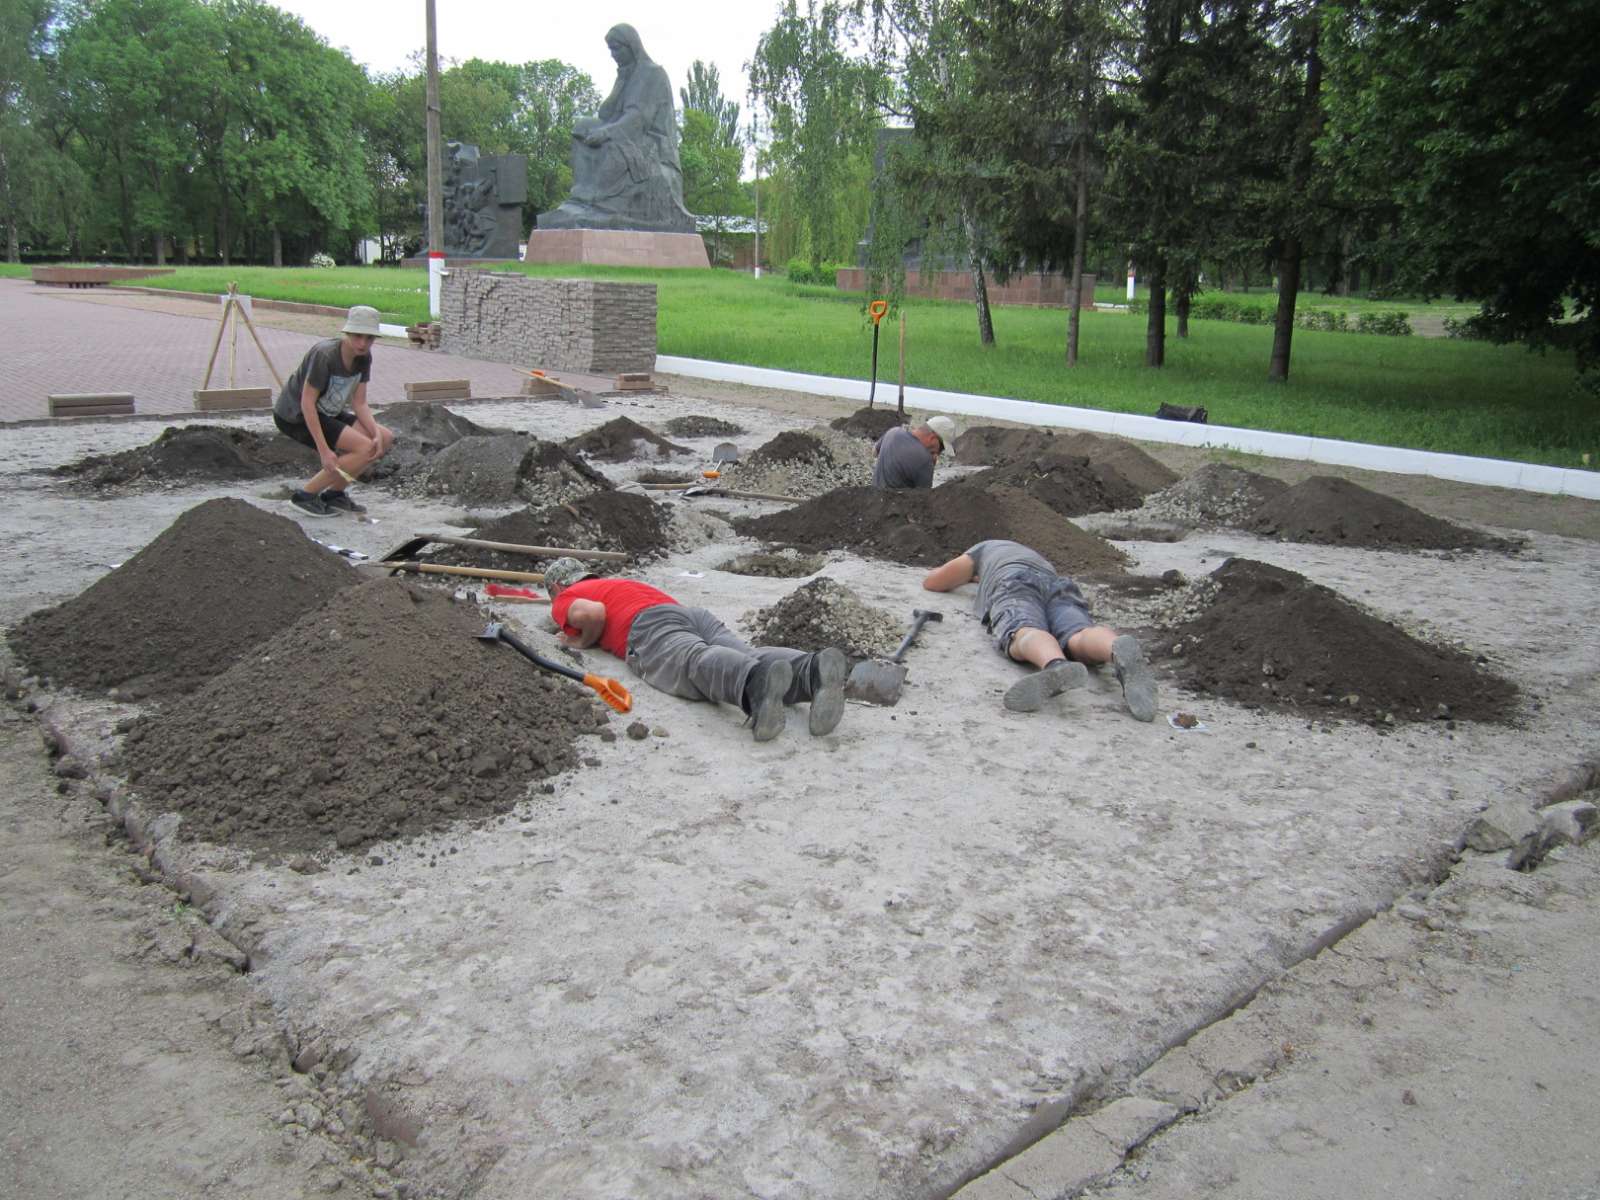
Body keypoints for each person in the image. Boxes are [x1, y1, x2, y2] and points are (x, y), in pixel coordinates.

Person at [543, 558, 848, 743]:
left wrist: (580, 641)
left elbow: (592, 614)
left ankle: (756, 684)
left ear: (557, 585)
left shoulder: (565, 596)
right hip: (689, 614)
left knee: (691, 661)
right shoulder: (614, 583)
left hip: (648, 626)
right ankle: (811, 671)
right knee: (747, 652)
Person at [922, 538, 1158, 720]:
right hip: (1057, 583)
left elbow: (935, 582)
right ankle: (1114, 648)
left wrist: (973, 574)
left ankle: (1056, 665)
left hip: (1015, 582)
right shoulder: (1032, 555)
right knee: (1078, 633)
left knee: (1022, 628)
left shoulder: (982, 549)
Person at [536, 24, 695, 233]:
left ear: (632, 46)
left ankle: (599, 201)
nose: (613, 55)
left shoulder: (653, 74)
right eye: (611, 49)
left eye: (617, 48)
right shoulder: (627, 74)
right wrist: (621, 80)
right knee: (582, 127)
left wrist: (606, 132)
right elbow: (605, 113)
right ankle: (581, 194)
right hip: (625, 130)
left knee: (613, 144)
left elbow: (638, 118)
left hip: (651, 142)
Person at [273, 305, 396, 518]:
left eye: (369, 338)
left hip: (327, 411)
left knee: (383, 438)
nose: (363, 343)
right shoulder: (325, 355)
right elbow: (307, 403)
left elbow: (360, 403)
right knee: (364, 448)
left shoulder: (364, 357)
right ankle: (305, 496)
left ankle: (334, 495)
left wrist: (375, 431)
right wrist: (324, 451)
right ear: (347, 333)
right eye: (358, 336)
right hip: (295, 415)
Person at [872, 416, 957, 490]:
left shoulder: (893, 432)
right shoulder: (924, 460)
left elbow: (874, 452)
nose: (938, 453)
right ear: (932, 438)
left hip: (872, 501)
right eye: (941, 448)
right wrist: (929, 465)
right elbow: (925, 499)